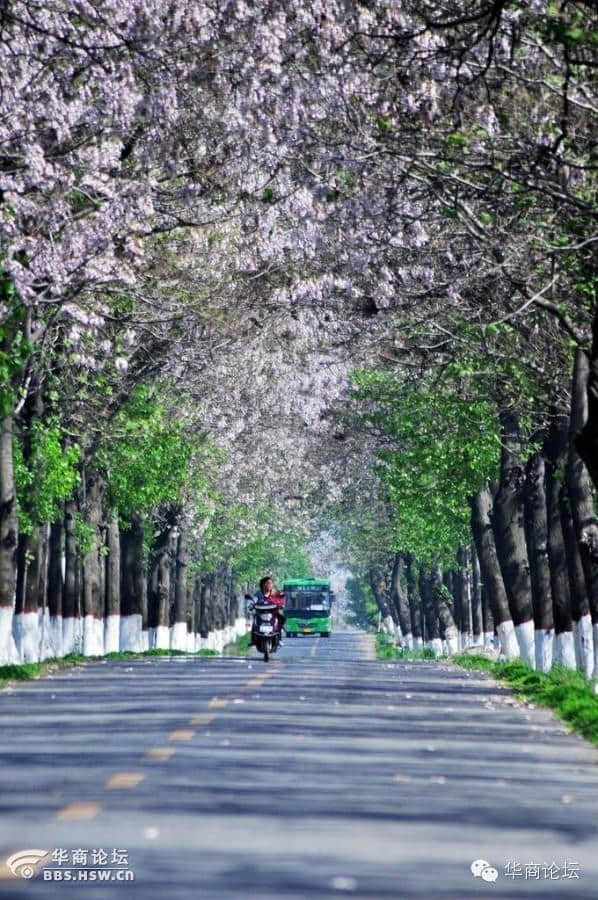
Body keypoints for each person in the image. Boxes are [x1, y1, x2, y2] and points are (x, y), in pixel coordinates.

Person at [249, 576, 286, 644]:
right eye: (267, 583)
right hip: (260, 613)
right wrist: (251, 605)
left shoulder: (275, 592)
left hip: (273, 613)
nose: (269, 585)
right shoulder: (258, 593)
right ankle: (253, 640)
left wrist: (281, 605)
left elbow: (280, 599)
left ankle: (279, 639)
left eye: (270, 583)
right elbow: (254, 600)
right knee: (254, 623)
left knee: (280, 620)